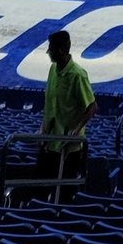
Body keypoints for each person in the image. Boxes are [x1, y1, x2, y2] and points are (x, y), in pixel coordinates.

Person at [39, 28, 95, 186]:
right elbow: (50, 104)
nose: (48, 52)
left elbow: (92, 107)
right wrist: (43, 127)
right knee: (42, 186)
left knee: (63, 189)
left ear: (61, 50)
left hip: (68, 146)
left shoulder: (78, 75)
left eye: (51, 48)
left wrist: (76, 130)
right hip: (49, 140)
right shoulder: (52, 70)